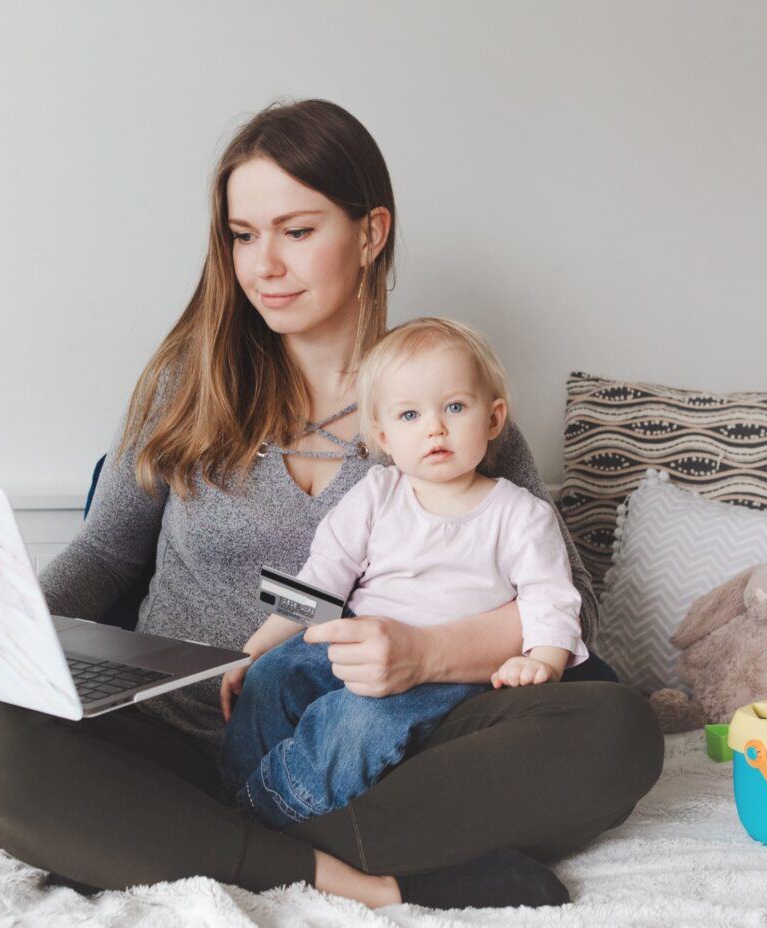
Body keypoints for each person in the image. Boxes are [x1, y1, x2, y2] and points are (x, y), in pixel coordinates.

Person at [0, 98, 664, 911]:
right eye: (243, 236)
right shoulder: (186, 388)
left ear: (372, 233)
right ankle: (363, 880)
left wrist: (425, 654)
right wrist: (6, 634)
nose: (263, 265)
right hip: (178, 735)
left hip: (383, 746)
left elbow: (571, 620)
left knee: (615, 732)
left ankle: (173, 843)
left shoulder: (450, 413)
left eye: (297, 231)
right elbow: (104, 557)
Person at [219, 317, 590, 831]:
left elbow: (551, 598)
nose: (435, 427)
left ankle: (270, 811)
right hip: (357, 643)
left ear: (494, 418)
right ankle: (227, 793)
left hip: (445, 674)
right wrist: (254, 648)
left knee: (357, 722)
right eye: (411, 414)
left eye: (455, 407)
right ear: (383, 436)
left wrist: (542, 662)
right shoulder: (377, 493)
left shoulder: (520, 513)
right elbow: (322, 577)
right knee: (272, 677)